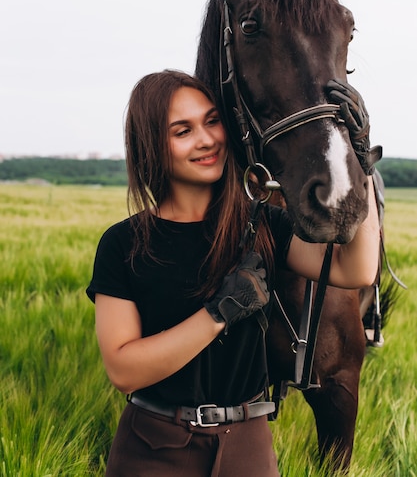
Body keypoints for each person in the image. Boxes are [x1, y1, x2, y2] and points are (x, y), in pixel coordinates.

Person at [86, 69, 380, 477]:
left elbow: (358, 269)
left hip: (248, 447)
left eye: (211, 121)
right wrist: (219, 313)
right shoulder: (124, 244)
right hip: (154, 447)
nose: (207, 140)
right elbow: (123, 370)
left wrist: (357, 160)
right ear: (151, 145)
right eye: (182, 131)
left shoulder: (263, 226)